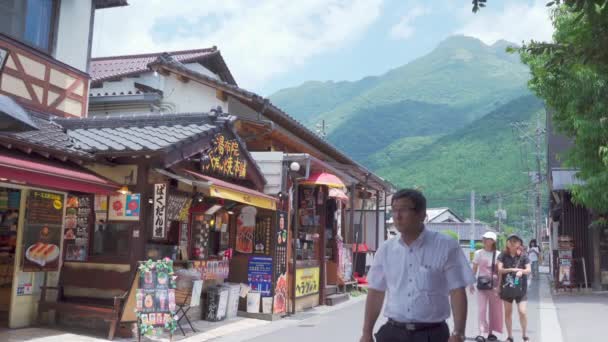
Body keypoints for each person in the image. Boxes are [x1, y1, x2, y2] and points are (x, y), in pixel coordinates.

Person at [361, 189, 474, 342]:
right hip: (392, 333)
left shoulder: (446, 246)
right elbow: (376, 291)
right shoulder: (386, 249)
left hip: (432, 334)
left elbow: (457, 291)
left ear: (422, 214)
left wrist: (459, 332)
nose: (397, 216)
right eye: (394, 210)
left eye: (404, 210)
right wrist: (367, 332)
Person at [497, 234, 532, 342]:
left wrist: (521, 271)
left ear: (519, 243)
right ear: (507, 243)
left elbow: (528, 270)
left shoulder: (523, 256)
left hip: (521, 289)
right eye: (510, 240)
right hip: (507, 289)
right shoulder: (503, 255)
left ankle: (525, 334)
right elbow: (500, 270)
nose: (512, 242)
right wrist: (512, 269)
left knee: (522, 311)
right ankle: (510, 336)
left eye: (515, 241)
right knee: (508, 312)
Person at [470, 231, 503, 342]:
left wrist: (499, 286)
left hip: (494, 286)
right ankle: (482, 333)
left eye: (487, 238)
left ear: (493, 241)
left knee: (494, 310)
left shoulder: (498, 254)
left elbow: (500, 272)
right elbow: (474, 269)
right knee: (482, 309)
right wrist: (471, 283)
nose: (484, 240)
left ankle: (491, 333)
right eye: (484, 238)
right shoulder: (478, 253)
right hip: (482, 286)